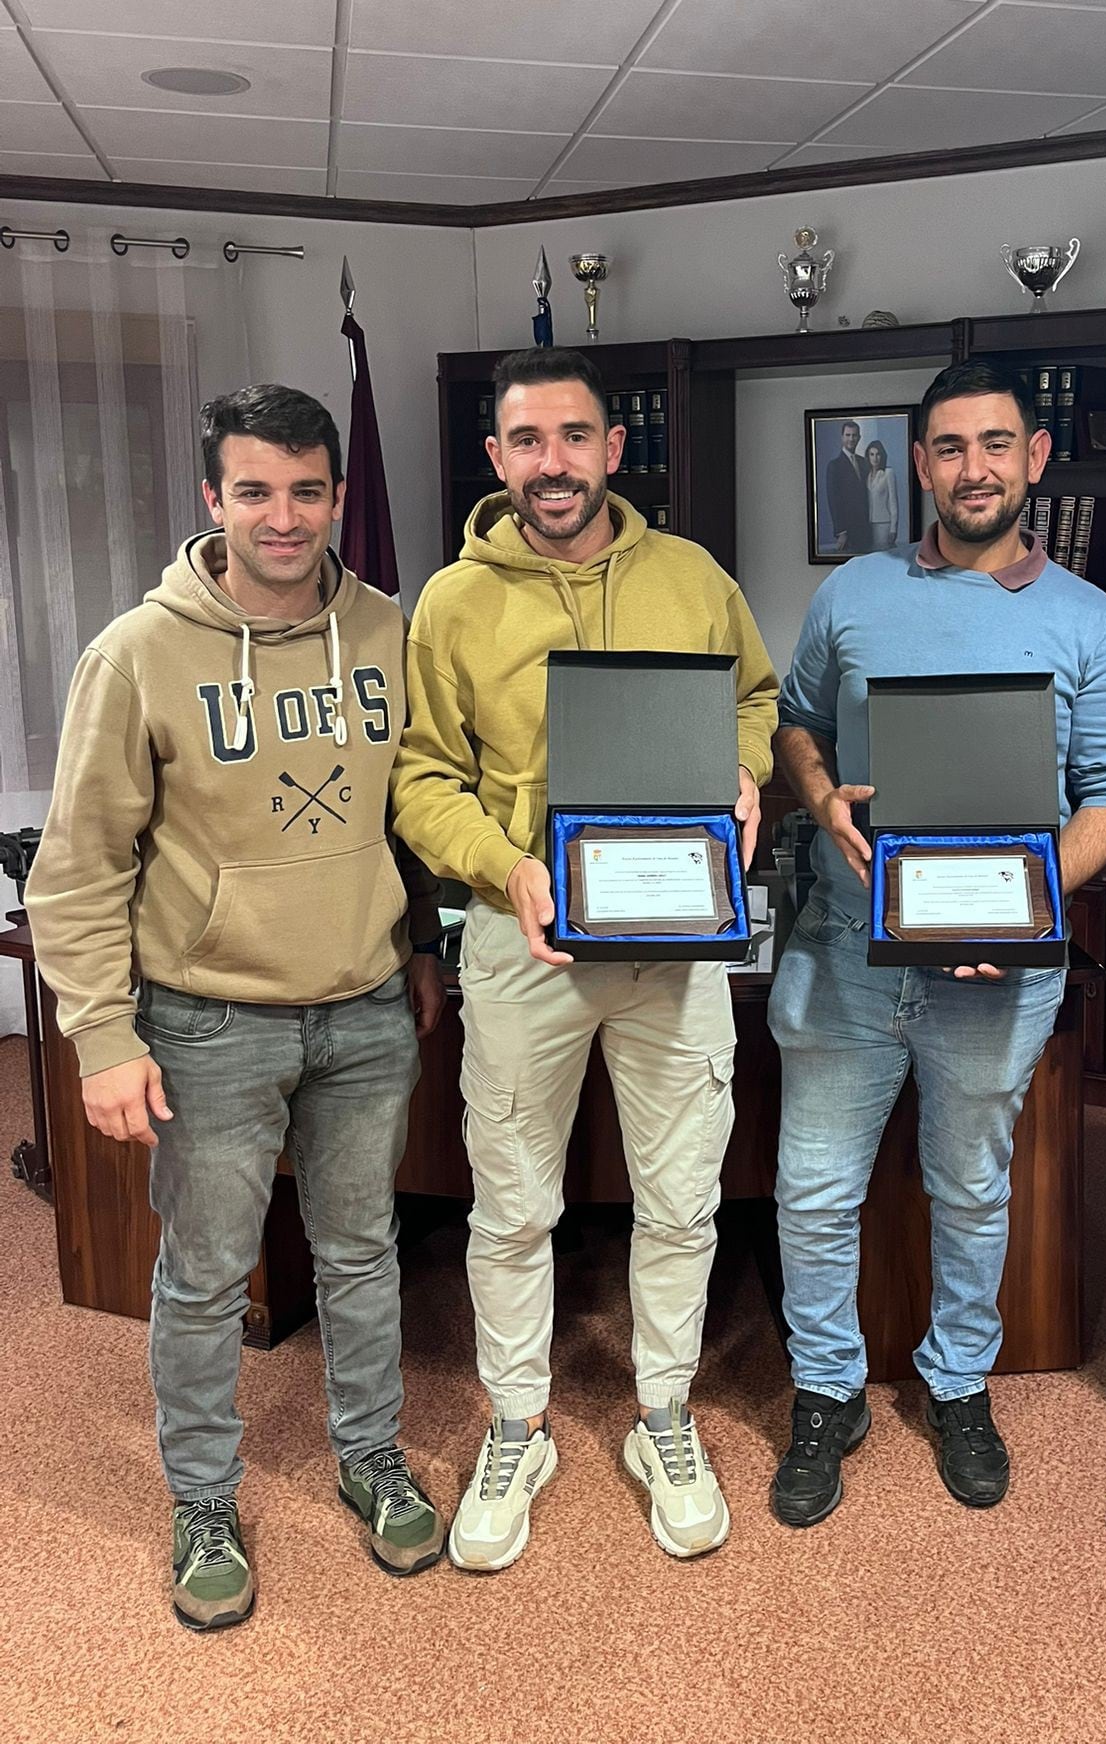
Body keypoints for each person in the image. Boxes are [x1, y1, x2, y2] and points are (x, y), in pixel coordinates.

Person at [26, 385, 447, 1633]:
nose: (284, 516)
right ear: (212, 496)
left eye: (308, 490)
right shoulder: (137, 653)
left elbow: (407, 805)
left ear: (338, 496)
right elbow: (78, 867)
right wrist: (101, 1035)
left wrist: (419, 942)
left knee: (362, 1250)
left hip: (364, 1008)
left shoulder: (385, 626)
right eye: (255, 490)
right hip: (209, 1020)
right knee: (208, 1274)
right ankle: (203, 1498)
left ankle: (370, 1452)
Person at [391, 347, 778, 1570]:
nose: (551, 462)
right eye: (526, 440)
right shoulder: (452, 603)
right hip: (526, 939)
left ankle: (663, 1413)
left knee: (683, 1194)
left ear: (614, 449)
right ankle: (518, 1424)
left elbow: (756, 700)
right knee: (511, 1202)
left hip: (675, 941)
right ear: (497, 456)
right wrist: (507, 867)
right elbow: (422, 778)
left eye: (573, 436)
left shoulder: (694, 577)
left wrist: (745, 767)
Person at [768, 359, 1106, 1526]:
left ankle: (958, 1382)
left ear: (1035, 457)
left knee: (972, 1187)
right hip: (845, 955)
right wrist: (821, 796)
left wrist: (1022, 905)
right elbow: (797, 724)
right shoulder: (853, 593)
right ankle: (826, 1390)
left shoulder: (1092, 620)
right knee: (814, 1189)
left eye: (994, 444)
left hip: (997, 972)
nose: (973, 468)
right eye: (948, 447)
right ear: (920, 465)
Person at [825, 418, 871, 555]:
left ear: (859, 438)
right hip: (848, 532)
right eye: (848, 435)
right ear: (842, 437)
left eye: (854, 435)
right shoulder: (834, 466)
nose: (851, 439)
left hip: (866, 529)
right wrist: (841, 531)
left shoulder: (864, 462)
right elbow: (833, 500)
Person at [864, 437, 899, 550]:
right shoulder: (867, 475)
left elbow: (893, 502)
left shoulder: (888, 473)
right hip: (870, 524)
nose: (875, 458)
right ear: (868, 456)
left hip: (884, 523)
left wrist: (893, 528)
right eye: (872, 454)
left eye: (878, 454)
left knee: (884, 552)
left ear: (882, 456)